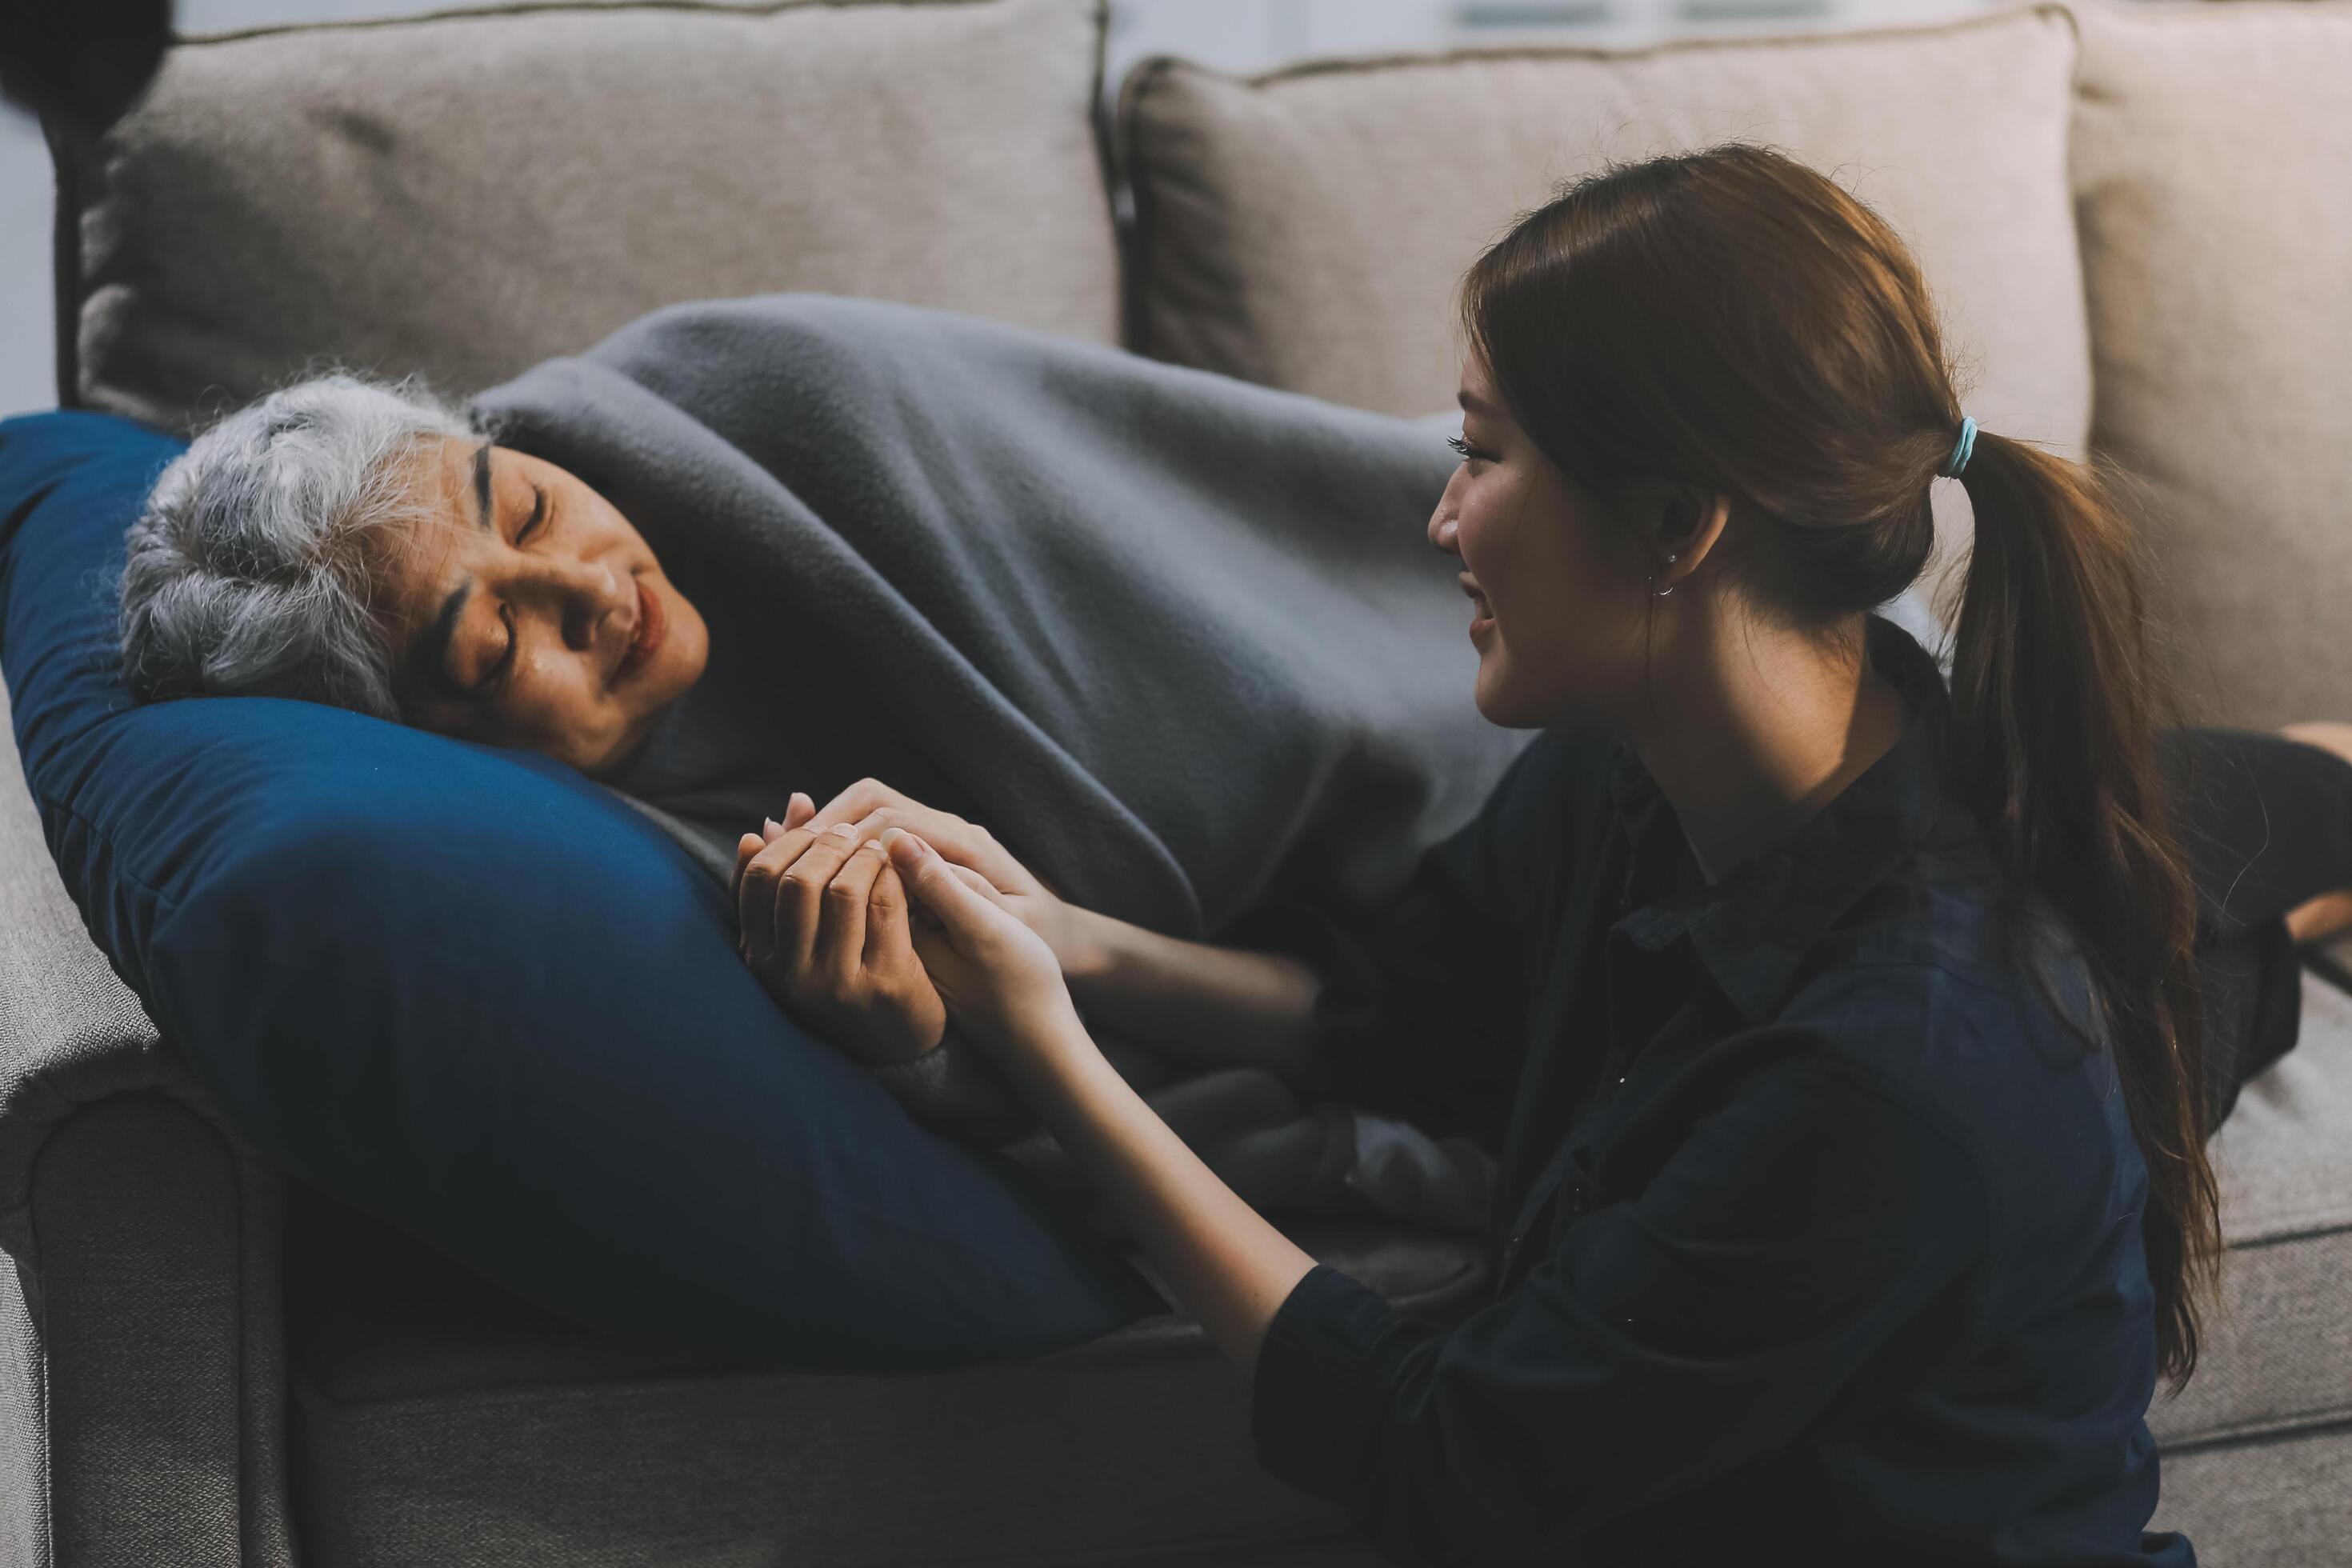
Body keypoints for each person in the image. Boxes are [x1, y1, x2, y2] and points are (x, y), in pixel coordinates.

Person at [722, 146, 2352, 1562]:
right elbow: (1417, 1009)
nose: (1441, 519)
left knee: (2235, 902)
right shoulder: (1641, 769)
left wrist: (1050, 1054)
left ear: (1674, 526)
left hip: (1959, 1105)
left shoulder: (1898, 1062)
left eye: (1484, 453)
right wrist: (1075, 937)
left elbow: (1447, 1461)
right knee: (2245, 852)